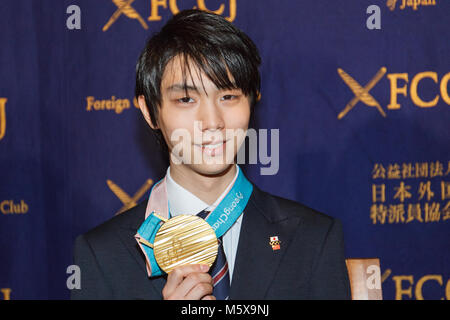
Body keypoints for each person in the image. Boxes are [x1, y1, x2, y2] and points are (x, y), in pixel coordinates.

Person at [71, 9, 350, 300]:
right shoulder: (102, 254)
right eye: (187, 99)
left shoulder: (313, 238)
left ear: (252, 101)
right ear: (150, 111)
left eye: (228, 96)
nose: (213, 122)